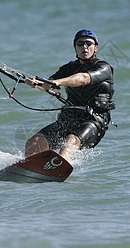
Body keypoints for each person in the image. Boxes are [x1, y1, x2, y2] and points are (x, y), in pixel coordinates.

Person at [25, 29, 115, 162]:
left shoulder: (103, 68)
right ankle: (31, 169)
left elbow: (83, 78)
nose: (84, 47)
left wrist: (58, 82)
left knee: (70, 141)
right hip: (69, 118)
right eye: (80, 44)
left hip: (94, 120)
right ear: (75, 48)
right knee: (33, 143)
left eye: (88, 43)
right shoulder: (68, 68)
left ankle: (58, 167)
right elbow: (47, 83)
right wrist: (34, 82)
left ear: (95, 48)